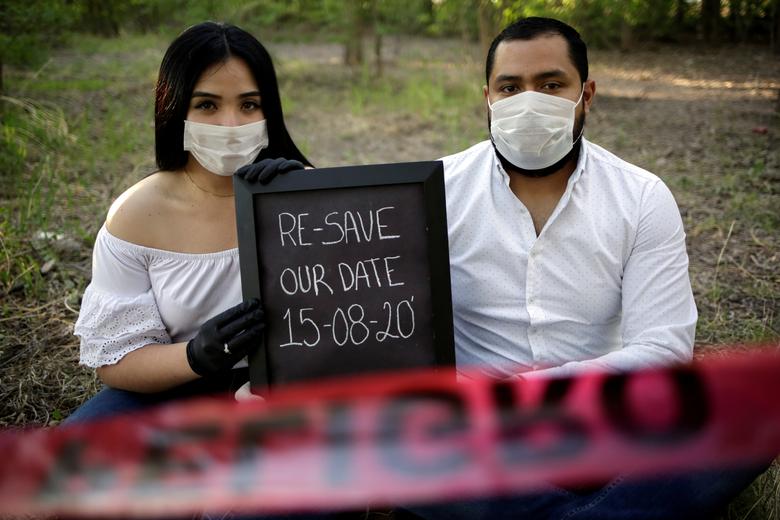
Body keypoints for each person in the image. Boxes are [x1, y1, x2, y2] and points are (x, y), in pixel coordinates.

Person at [398, 16, 764, 519]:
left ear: (585, 94)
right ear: (488, 98)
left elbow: (662, 349)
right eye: (510, 88)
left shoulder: (641, 197)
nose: (529, 102)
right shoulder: (433, 192)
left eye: (551, 85)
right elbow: (389, 331)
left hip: (602, 422)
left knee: (750, 416)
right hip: (473, 431)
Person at [67, 21, 309, 423]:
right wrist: (196, 355)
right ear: (176, 108)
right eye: (207, 105)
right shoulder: (136, 216)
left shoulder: (308, 195)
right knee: (79, 446)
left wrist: (309, 198)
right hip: (175, 389)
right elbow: (116, 360)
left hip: (297, 385)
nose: (231, 125)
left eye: (249, 105)